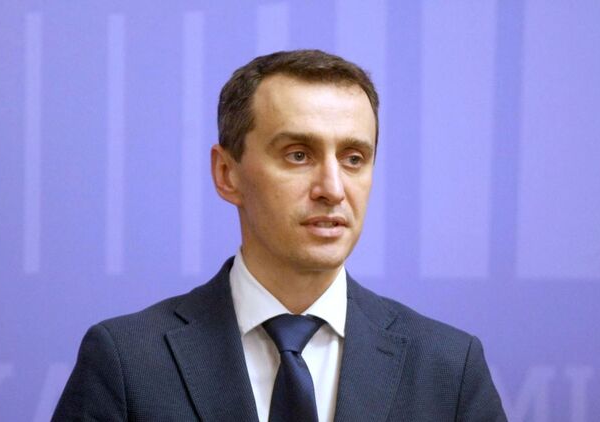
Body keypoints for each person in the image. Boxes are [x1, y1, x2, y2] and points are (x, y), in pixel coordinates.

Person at [53, 49, 506, 421]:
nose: (332, 189)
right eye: (298, 155)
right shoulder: (127, 362)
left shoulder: (449, 369)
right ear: (227, 173)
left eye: (353, 158)